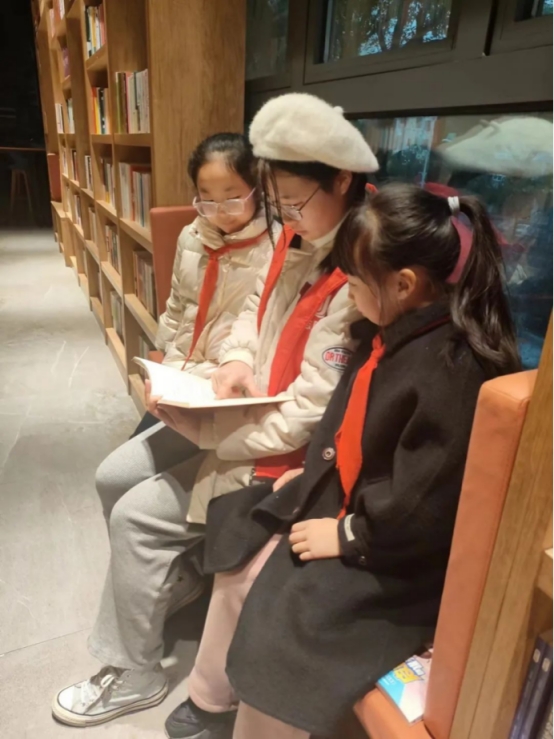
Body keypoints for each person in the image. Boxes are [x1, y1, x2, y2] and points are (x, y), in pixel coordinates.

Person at [51, 93, 378, 728]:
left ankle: (136, 669)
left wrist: (215, 434)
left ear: (342, 180)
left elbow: (313, 409)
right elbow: (250, 314)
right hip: (233, 413)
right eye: (278, 204)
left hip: (271, 451)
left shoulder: (357, 267)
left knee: (136, 518)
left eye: (292, 202)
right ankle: (169, 585)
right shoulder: (295, 234)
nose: (284, 216)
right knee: (115, 478)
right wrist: (232, 362)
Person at [163, 184, 521, 739]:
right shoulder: (389, 331)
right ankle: (212, 699)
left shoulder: (453, 370)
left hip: (392, 547)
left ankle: (258, 714)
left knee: (285, 623)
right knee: (238, 542)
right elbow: (349, 428)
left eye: (353, 283)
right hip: (350, 498)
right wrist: (314, 472)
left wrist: (350, 534)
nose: (347, 294)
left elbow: (423, 503)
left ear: (403, 284)